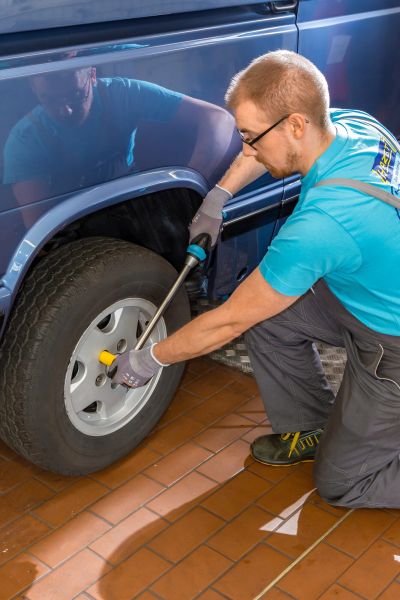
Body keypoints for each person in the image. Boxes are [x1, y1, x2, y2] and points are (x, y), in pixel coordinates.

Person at [111, 50, 400, 509]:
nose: (247, 150)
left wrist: (149, 359)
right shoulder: (354, 126)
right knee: (270, 317)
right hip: (364, 291)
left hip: (390, 340)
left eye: (250, 137)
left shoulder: (320, 226)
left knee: (344, 484)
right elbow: (271, 149)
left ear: (297, 124)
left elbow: (229, 320)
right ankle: (310, 427)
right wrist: (218, 198)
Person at [3, 65, 235, 202]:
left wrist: (188, 185)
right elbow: (38, 230)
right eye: (49, 100)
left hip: (132, 200)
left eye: (76, 96)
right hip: (72, 225)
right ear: (34, 89)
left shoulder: (122, 93)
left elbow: (218, 118)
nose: (65, 111)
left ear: (92, 76)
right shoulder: (24, 140)